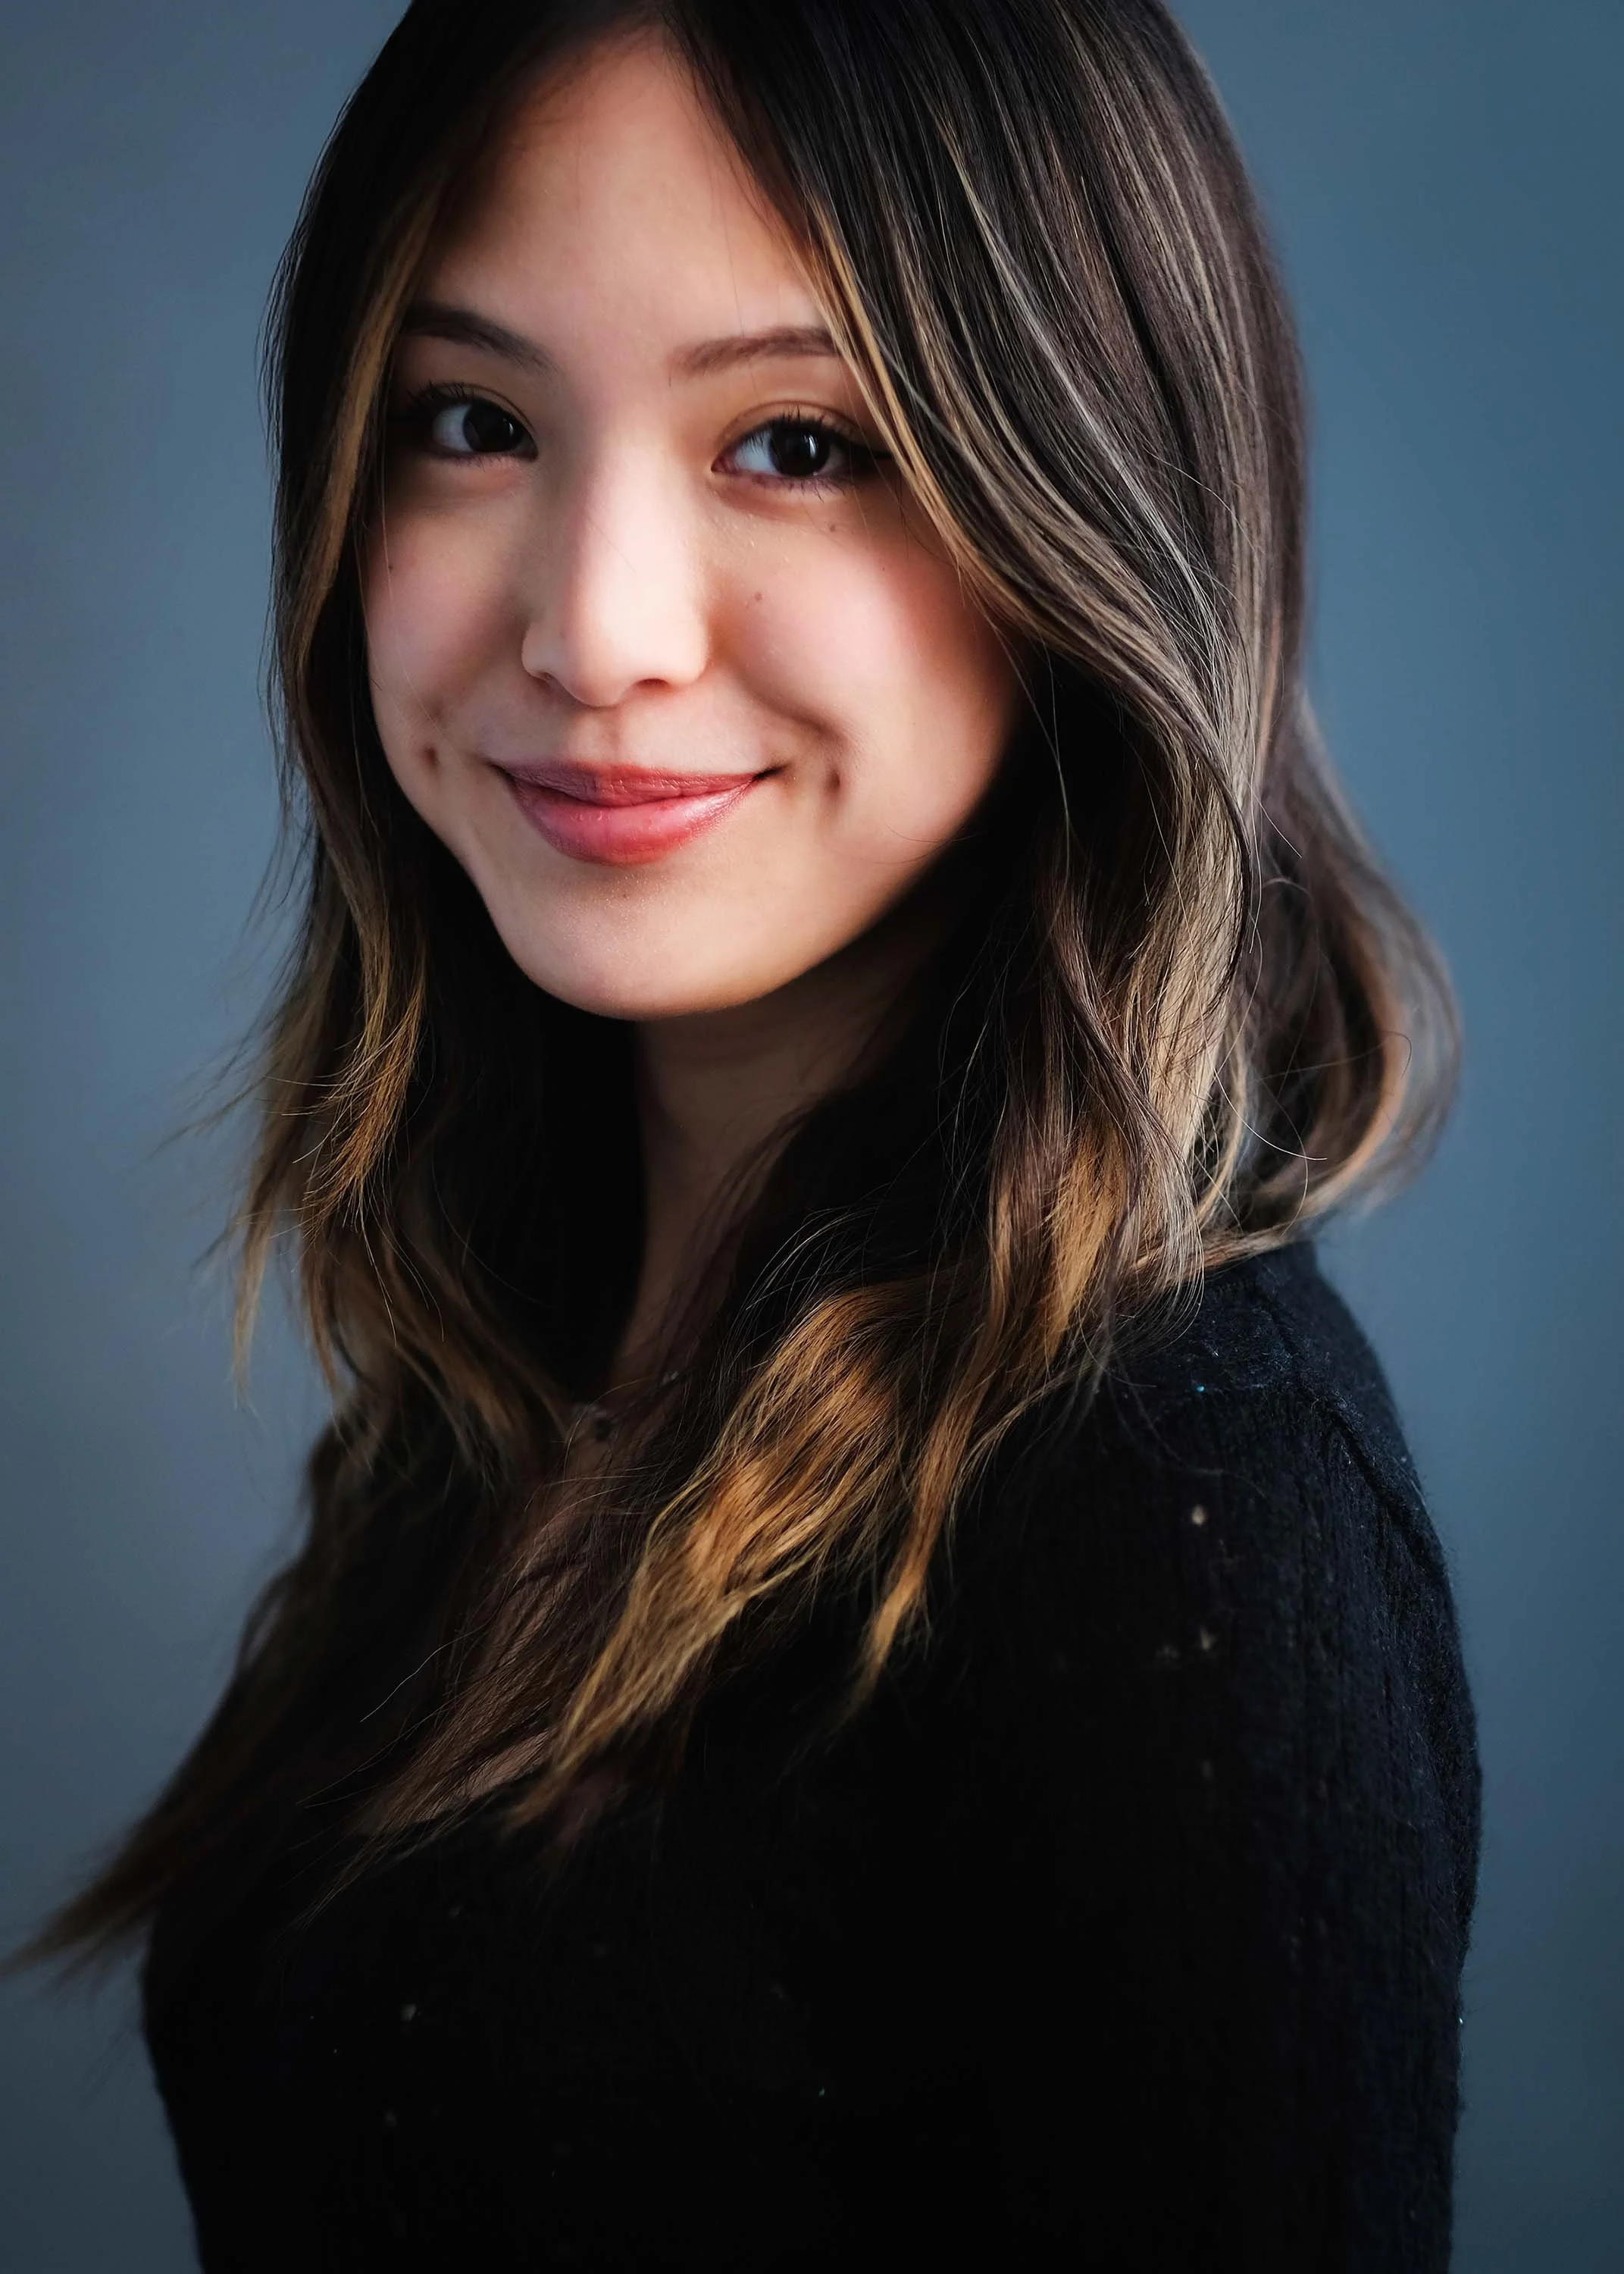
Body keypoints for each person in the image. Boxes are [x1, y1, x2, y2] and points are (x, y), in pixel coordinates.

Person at [34, 1, 1481, 2264]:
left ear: (1091, 514)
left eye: (798, 442)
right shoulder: (510, 1394)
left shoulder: (1180, 1506)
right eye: (470, 420)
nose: (594, 631)